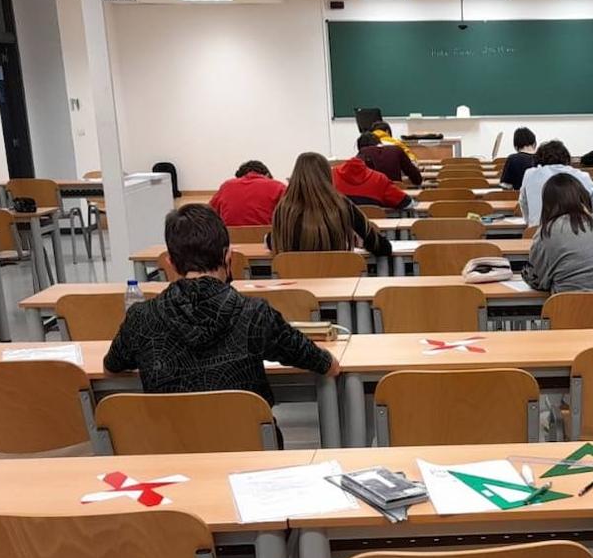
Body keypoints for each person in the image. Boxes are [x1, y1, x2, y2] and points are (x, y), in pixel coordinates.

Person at [104, 204, 340, 419]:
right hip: (250, 455)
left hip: (172, 458)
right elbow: (325, 365)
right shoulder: (256, 314)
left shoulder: (141, 317)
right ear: (228, 257)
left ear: (170, 263)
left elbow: (111, 366)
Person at [271, 152, 392, 257]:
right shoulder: (341, 205)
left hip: (295, 281)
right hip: (336, 280)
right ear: (327, 175)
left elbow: (274, 243)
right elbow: (381, 247)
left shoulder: (283, 209)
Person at [519, 140, 593, 228]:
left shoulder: (530, 174)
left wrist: (530, 224)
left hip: (537, 233)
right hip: (576, 233)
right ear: (566, 158)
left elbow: (523, 202)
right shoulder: (581, 176)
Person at [209, 160, 286, 227]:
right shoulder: (278, 186)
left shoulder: (226, 186)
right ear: (267, 175)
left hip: (231, 239)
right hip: (268, 238)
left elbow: (210, 213)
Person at [332, 152, 412, 210]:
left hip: (339, 229)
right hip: (374, 229)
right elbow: (405, 203)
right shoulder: (379, 179)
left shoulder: (329, 176)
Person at [356, 132, 422, 186]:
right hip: (396, 193)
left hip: (372, 196)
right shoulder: (396, 150)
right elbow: (415, 177)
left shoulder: (363, 154)